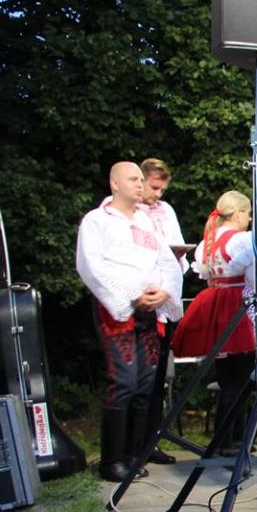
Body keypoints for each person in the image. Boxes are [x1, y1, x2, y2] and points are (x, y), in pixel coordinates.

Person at [76, 162, 183, 482]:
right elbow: (90, 265)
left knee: (145, 383)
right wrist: (130, 295)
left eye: (140, 179)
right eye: (133, 179)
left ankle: (135, 454)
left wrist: (165, 291)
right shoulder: (97, 221)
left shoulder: (145, 222)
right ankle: (112, 460)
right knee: (123, 381)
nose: (139, 184)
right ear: (115, 184)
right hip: (117, 311)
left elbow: (167, 262)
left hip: (149, 311)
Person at [172, 192, 257, 453]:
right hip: (238, 306)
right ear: (239, 214)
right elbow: (256, 278)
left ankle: (234, 437)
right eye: (248, 214)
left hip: (215, 307)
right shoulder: (242, 240)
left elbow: (206, 274)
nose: (249, 219)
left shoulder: (206, 242)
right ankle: (227, 439)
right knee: (241, 378)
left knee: (228, 377)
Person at [138, 158, 189, 464]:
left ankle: (151, 441)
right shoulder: (130, 212)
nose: (157, 195)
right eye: (154, 187)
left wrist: (177, 256)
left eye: (162, 190)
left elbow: (176, 247)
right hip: (140, 299)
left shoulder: (166, 211)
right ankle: (132, 445)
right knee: (138, 376)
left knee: (158, 375)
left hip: (164, 299)